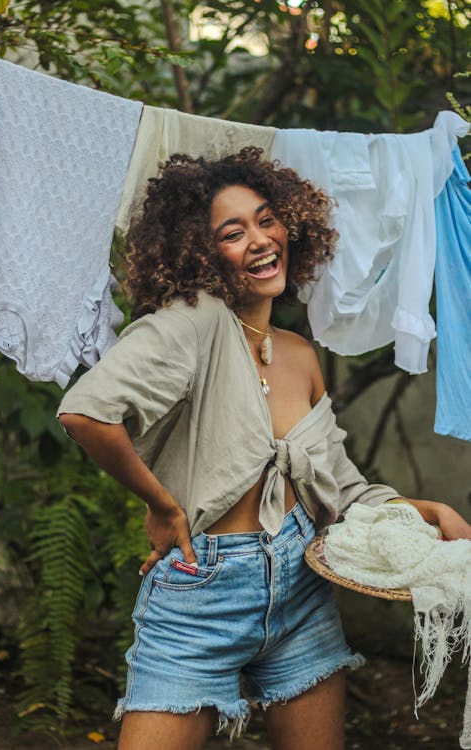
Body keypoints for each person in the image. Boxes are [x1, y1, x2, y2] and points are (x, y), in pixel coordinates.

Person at [57, 147, 471, 750]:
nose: (259, 239)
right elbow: (85, 412)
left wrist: (429, 512)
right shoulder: (192, 322)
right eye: (233, 232)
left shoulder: (301, 356)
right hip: (203, 590)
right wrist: (164, 504)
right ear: (200, 253)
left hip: (303, 585)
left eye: (266, 219)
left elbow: (343, 493)